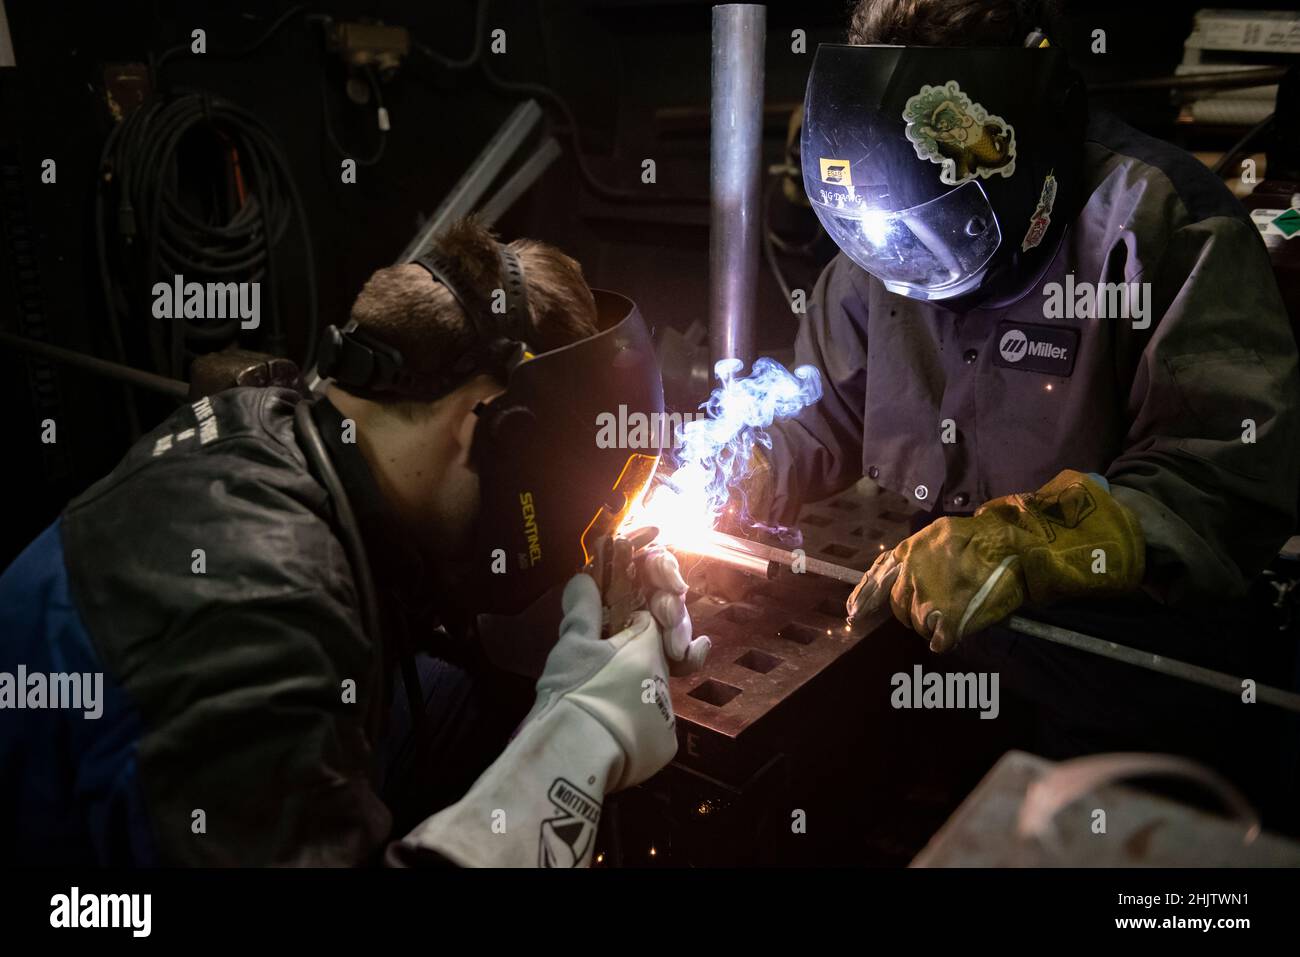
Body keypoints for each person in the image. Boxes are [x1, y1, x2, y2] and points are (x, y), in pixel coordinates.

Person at [0, 218, 707, 867]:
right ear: (483, 419)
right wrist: (581, 738)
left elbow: (411, 577)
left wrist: (593, 629)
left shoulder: (272, 423)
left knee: (464, 697)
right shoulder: (258, 616)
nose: (578, 537)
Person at [748, 1, 1299, 764]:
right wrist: (757, 460)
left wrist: (1029, 541)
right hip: (950, 632)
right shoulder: (887, 229)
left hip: (1120, 657)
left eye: (933, 234)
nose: (904, 271)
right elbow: (825, 409)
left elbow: (1219, 480)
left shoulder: (1156, 225)